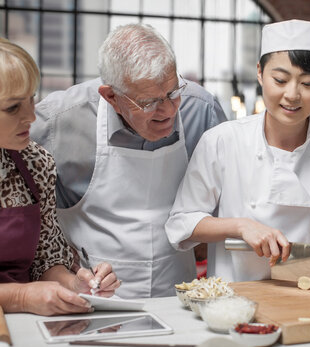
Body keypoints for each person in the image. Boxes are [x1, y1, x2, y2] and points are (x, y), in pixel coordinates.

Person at [165, 19, 310, 282]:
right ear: (259, 73)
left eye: (308, 83)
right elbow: (183, 221)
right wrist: (241, 226)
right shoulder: (221, 141)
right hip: (234, 297)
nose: (292, 95)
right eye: (280, 79)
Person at [30, 24, 227, 298]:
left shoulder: (202, 111)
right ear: (111, 96)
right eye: (149, 103)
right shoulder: (57, 122)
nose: (169, 110)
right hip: (89, 296)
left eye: (173, 92)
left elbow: (228, 198)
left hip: (180, 295)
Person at [0, 38, 120, 316]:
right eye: (13, 107)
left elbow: (46, 260)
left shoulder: (34, 162)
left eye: (32, 98)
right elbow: (25, 293)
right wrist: (19, 296)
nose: (32, 116)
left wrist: (76, 283)